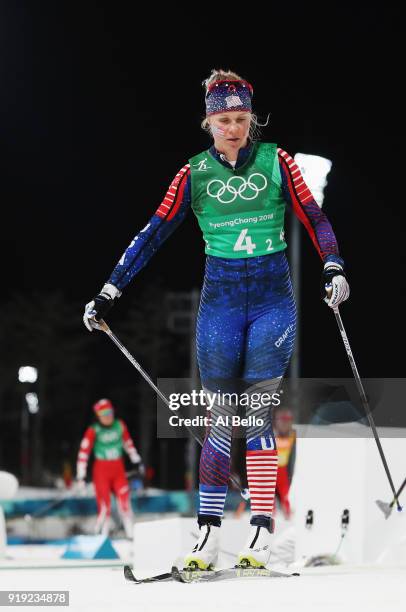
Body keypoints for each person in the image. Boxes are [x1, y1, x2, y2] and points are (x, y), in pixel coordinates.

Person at [83, 68, 349, 569]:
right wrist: (109, 290)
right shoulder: (193, 174)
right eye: (224, 119)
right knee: (222, 420)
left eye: (242, 119)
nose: (233, 127)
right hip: (221, 306)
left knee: (257, 415)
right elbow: (152, 233)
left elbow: (314, 216)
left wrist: (333, 264)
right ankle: (206, 534)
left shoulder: (278, 161)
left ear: (253, 120)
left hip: (273, 302)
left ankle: (261, 532)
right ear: (209, 123)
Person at [76, 398, 144, 538]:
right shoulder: (93, 430)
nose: (108, 416)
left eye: (110, 412)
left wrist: (136, 461)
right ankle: (101, 536)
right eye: (104, 413)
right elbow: (84, 453)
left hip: (118, 470)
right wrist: (81, 475)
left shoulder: (120, 425)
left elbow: (128, 444)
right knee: (104, 506)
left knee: (124, 503)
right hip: (101, 471)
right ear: (98, 416)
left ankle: (131, 536)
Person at [273, 407, 296, 519]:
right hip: (272, 469)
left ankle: (288, 515)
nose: (284, 424)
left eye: (287, 420)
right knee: (269, 495)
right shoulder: (273, 434)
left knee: (286, 495)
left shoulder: (293, 435)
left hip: (283, 470)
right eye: (281, 420)